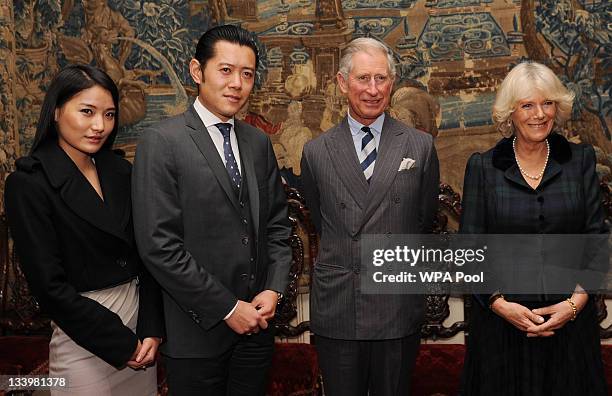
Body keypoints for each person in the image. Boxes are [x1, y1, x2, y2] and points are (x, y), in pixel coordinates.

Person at [131, 25, 292, 396]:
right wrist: (227, 308)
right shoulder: (162, 142)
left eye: (247, 74)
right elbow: (159, 246)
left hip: (257, 330)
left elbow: (277, 228)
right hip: (196, 333)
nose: (237, 83)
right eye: (226, 70)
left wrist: (274, 290)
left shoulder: (257, 143)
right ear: (196, 71)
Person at [3, 64, 164, 395]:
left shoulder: (120, 170)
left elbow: (147, 255)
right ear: (57, 111)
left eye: (109, 114)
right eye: (87, 112)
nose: (99, 126)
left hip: (140, 333)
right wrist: (122, 344)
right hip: (85, 336)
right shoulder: (29, 183)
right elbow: (49, 287)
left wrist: (152, 329)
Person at [300, 37, 440, 396]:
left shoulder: (419, 147)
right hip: (339, 305)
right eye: (363, 79)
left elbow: (424, 221)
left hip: (395, 305)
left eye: (382, 79)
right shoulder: (315, 152)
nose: (373, 90)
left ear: (392, 84)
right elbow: (322, 220)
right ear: (343, 83)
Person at [459, 61, 608, 395]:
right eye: (527, 105)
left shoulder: (580, 160)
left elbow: (596, 239)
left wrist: (574, 304)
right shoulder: (484, 167)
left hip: (570, 329)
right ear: (510, 113)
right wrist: (500, 304)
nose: (539, 114)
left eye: (547, 103)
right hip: (502, 331)